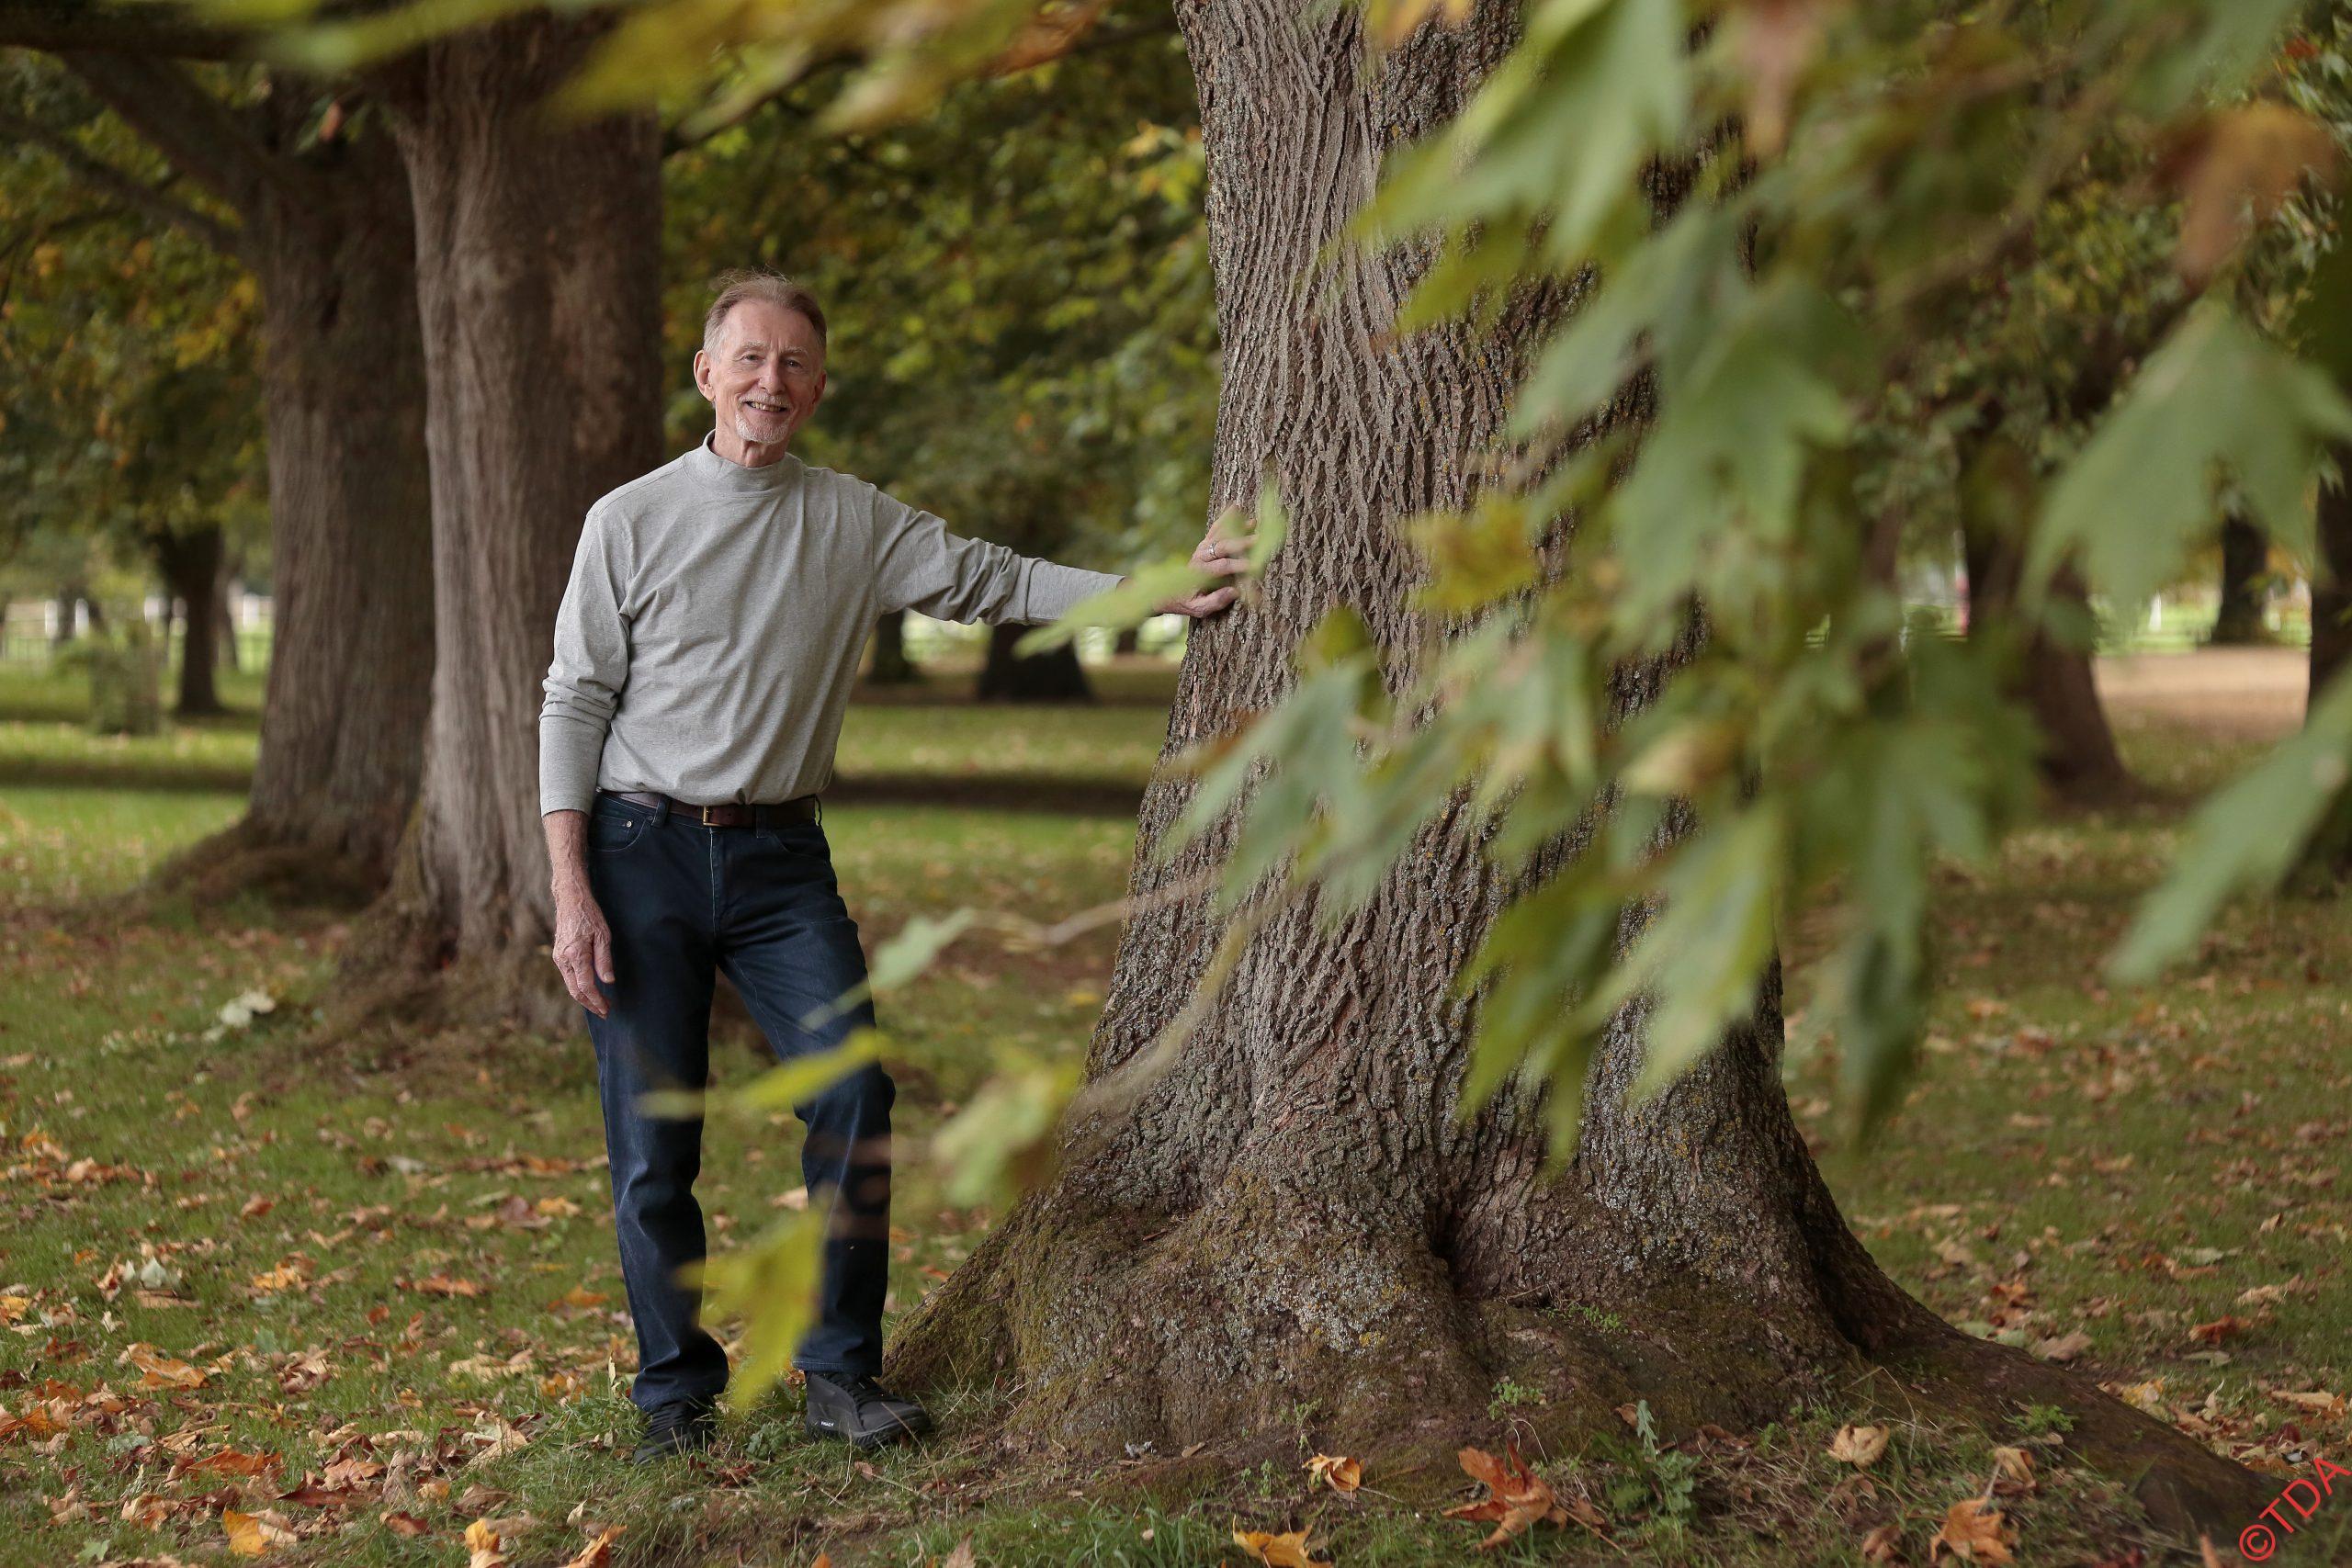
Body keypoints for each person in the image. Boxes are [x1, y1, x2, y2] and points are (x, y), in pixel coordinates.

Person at [538, 269, 1248, 1464]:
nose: (773, 382)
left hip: (777, 860)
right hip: (636, 847)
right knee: (654, 1136)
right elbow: (574, 700)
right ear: (708, 375)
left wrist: (1160, 591)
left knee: (855, 1096)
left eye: (796, 364)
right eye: (750, 360)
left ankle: (838, 1372)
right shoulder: (630, 518)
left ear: (819, 384)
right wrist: (570, 889)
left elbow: (1000, 581)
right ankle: (673, 1391)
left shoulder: (853, 520)